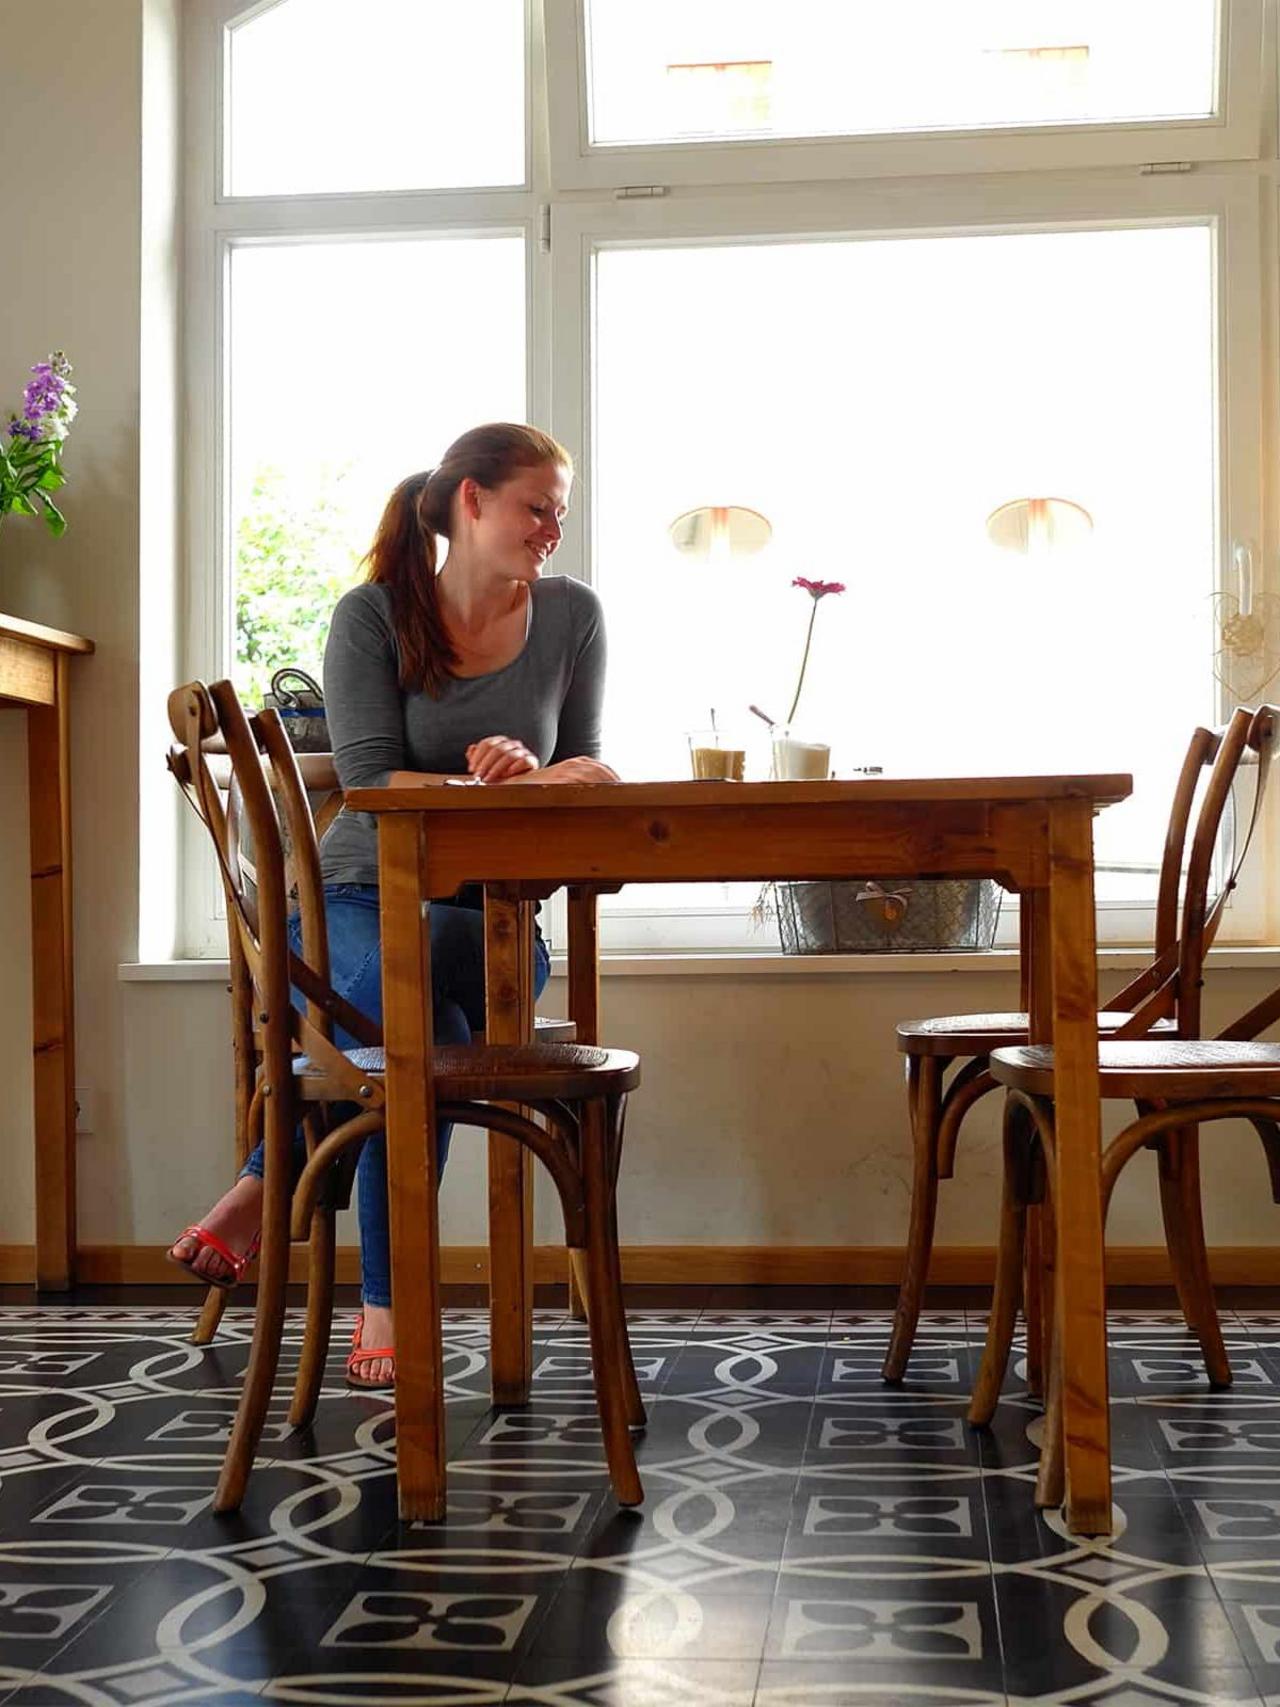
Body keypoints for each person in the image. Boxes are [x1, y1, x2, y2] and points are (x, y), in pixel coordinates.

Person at [169, 422, 618, 1388]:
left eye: (560, 514)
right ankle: (387, 1298)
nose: (551, 530)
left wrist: (539, 774)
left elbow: (591, 768)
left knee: (424, 1015)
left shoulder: (575, 616)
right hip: (353, 901)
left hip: (495, 920)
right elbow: (370, 785)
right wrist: (496, 785)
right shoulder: (372, 616)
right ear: (472, 501)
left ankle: (266, 1175)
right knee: (429, 1023)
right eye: (535, 508)